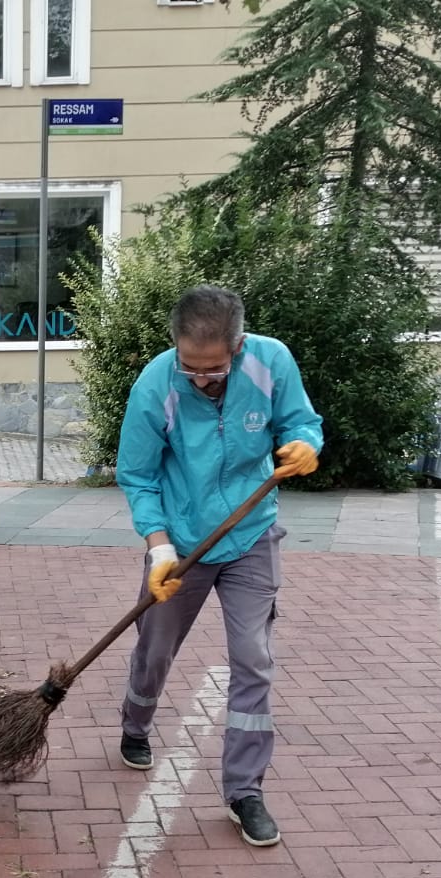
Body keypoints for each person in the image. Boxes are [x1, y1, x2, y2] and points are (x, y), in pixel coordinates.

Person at [114, 286, 324, 848]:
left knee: (253, 659)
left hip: (251, 534)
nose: (201, 379)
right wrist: (159, 548)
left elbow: (302, 422)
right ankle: (135, 722)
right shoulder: (157, 384)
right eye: (191, 368)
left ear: (239, 346)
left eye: (214, 369)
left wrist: (305, 444)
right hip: (182, 540)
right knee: (155, 648)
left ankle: (244, 791)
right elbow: (137, 474)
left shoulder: (272, 361)